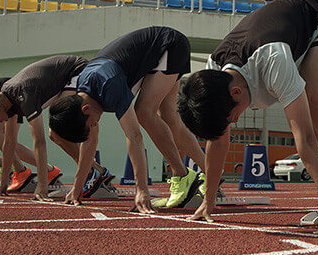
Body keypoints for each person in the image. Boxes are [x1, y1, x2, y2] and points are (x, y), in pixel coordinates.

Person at [178, 0, 318, 237]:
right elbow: (218, 142)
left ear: (235, 92)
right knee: (317, 126)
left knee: (312, 99)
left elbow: (304, 140)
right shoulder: (212, 74)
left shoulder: (272, 59)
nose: (234, 121)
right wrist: (208, 200)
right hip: (287, 25)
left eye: (230, 118)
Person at [48, 26, 206, 211]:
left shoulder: (108, 85)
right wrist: (77, 187)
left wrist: (142, 190)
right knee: (169, 118)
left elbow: (134, 136)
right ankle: (209, 173)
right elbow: (89, 143)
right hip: (153, 54)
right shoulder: (84, 97)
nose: (95, 125)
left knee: (144, 112)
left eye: (92, 124)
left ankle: (184, 175)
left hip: (168, 44)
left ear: (86, 109)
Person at [0, 55, 87, 201]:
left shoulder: (23, 95)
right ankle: (93, 170)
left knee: (58, 128)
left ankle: (91, 171)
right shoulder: (7, 100)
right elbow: (9, 142)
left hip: (76, 69)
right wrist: (3, 181)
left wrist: (42, 186)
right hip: (59, 81)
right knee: (55, 134)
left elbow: (39, 142)